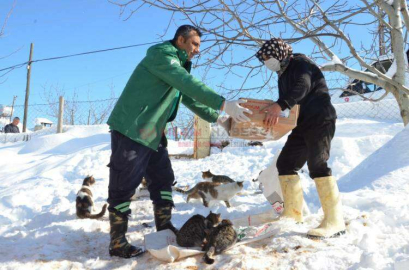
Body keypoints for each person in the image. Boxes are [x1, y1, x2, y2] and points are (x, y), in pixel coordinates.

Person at [106, 25, 251, 258]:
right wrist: (223, 102)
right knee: (123, 184)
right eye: (194, 44)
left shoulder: (177, 69)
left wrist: (219, 118)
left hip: (153, 132)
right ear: (181, 40)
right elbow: (187, 83)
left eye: (198, 46)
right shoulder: (162, 56)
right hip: (132, 129)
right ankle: (117, 241)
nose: (197, 50)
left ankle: (164, 226)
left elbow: (189, 96)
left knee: (162, 179)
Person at [255, 38, 345, 239]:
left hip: (320, 118)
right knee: (286, 163)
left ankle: (334, 221)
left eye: (268, 57)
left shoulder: (300, 63)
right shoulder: (282, 74)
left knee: (318, 164)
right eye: (264, 60)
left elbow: (302, 86)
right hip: (302, 123)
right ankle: (293, 214)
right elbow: (291, 106)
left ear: (278, 52)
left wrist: (279, 105)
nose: (267, 62)